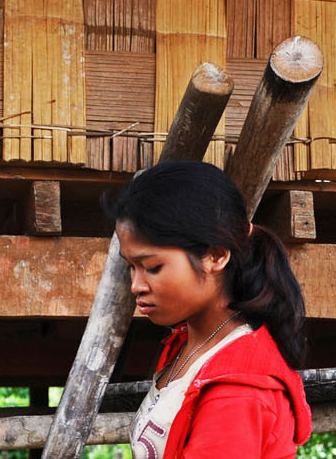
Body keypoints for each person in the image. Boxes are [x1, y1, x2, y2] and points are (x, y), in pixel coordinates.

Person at [113, 161, 312, 459]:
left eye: (153, 267)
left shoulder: (236, 391)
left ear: (215, 255)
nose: (136, 285)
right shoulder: (187, 343)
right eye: (131, 267)